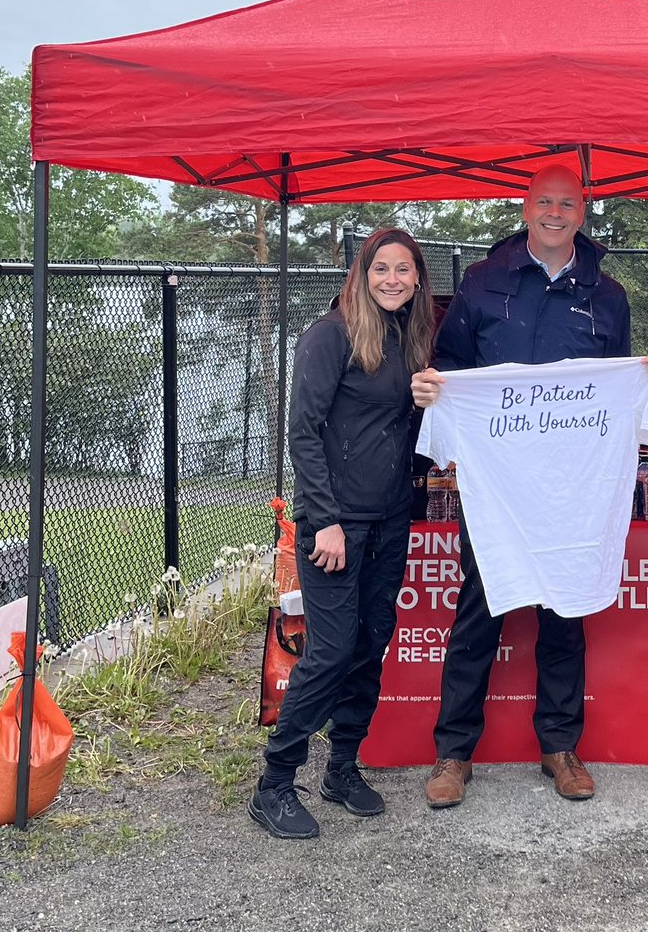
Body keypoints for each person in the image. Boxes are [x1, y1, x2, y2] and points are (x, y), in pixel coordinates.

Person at [410, 164, 648, 808]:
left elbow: (618, 379)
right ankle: (453, 752)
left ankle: (559, 746)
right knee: (481, 604)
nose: (556, 213)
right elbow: (450, 366)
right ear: (525, 208)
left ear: (583, 214)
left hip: (571, 486)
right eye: (545, 203)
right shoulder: (482, 283)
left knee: (566, 605)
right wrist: (432, 387)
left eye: (569, 204)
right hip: (497, 484)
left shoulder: (606, 295)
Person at [249, 228, 435, 839]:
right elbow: (304, 432)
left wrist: (425, 402)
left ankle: (342, 768)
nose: (392, 279)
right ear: (362, 273)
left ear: (416, 280)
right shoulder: (329, 335)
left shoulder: (407, 337)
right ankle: (274, 782)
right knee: (328, 652)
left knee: (369, 645)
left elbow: (393, 428)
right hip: (335, 526)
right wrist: (323, 519)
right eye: (381, 268)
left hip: (389, 520)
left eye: (403, 270)